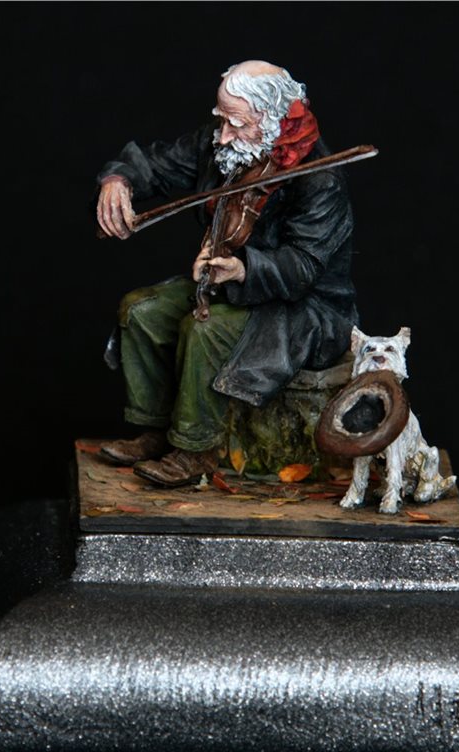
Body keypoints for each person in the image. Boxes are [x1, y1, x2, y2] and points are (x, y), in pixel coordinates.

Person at [95, 60, 358, 487]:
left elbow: (304, 267)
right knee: (141, 311)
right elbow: (158, 163)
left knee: (205, 330)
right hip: (229, 283)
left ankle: (195, 449)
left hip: (301, 309)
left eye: (236, 124)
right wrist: (119, 179)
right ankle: (157, 429)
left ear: (272, 120)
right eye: (222, 120)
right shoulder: (223, 146)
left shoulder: (319, 180)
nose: (222, 136)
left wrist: (243, 268)